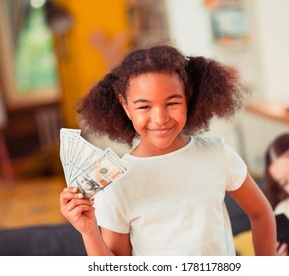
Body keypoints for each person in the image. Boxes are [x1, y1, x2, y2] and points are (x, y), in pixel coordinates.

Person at [60, 44, 276, 256]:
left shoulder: (218, 155)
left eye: (172, 103)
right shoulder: (116, 182)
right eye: (144, 106)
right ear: (125, 106)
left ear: (187, 99)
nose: (160, 119)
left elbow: (261, 213)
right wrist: (89, 232)